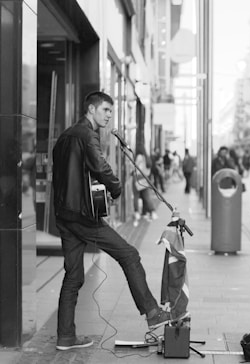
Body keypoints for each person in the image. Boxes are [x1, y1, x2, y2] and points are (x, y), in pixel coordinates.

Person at [52, 91, 173, 351]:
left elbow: (70, 174)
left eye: (110, 110)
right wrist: (116, 189)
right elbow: (100, 165)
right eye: (105, 109)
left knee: (73, 276)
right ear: (91, 110)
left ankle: (65, 337)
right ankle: (152, 312)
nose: (109, 115)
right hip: (83, 216)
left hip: (64, 214)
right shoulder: (87, 135)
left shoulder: (64, 137)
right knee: (129, 255)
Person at [132, 144, 157, 226]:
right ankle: (152, 211)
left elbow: (134, 167)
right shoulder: (146, 157)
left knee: (136, 196)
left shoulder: (139, 157)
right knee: (147, 196)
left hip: (138, 178)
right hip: (145, 178)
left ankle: (137, 213)